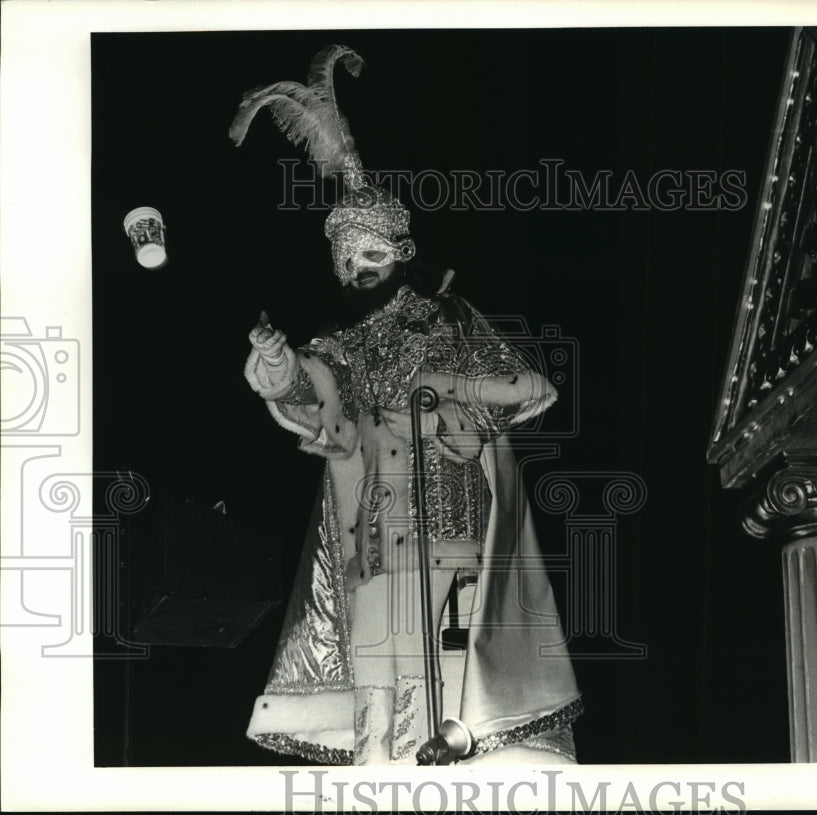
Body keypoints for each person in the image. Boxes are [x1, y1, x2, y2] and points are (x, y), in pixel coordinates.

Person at [235, 44, 582, 765]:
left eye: (366, 256)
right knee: (379, 705)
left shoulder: (449, 317)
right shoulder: (345, 344)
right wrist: (278, 366)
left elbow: (528, 387)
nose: (353, 270)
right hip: (372, 547)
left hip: (449, 530)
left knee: (450, 690)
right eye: (343, 259)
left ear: (395, 251)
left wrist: (454, 400)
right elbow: (315, 394)